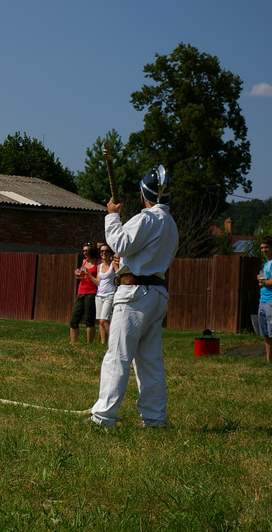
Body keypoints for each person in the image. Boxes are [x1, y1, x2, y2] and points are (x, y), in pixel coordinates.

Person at [90, 165, 179, 428]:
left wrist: (112, 216)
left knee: (118, 356)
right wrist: (126, 262)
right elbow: (141, 253)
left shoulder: (147, 219)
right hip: (156, 294)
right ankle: (154, 418)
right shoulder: (171, 225)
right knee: (150, 361)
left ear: (144, 193)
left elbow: (119, 242)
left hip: (134, 295)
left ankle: (103, 417)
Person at [69, 242, 98, 343]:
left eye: (87, 250)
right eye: (84, 250)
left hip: (92, 293)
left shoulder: (97, 263)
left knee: (89, 320)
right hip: (81, 292)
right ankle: (73, 344)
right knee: (74, 319)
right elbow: (81, 276)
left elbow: (98, 281)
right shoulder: (84, 261)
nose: (84, 252)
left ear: (91, 251)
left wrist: (88, 272)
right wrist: (77, 274)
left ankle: (89, 345)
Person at [92, 244, 118, 344]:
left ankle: (114, 342)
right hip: (99, 296)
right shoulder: (99, 266)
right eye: (102, 251)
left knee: (104, 320)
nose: (103, 253)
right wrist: (88, 274)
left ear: (110, 253)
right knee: (100, 321)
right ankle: (103, 343)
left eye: (106, 251)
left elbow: (120, 275)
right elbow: (98, 282)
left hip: (110, 295)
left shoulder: (113, 264)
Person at [257, 235, 272, 363]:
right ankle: (268, 360)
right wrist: (261, 280)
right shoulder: (265, 264)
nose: (263, 250)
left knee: (271, 332)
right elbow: (261, 277)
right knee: (266, 333)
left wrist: (263, 282)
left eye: (266, 247)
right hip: (263, 300)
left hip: (271, 302)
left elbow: (270, 281)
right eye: (262, 248)